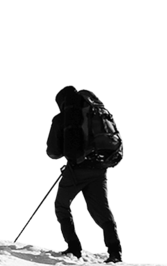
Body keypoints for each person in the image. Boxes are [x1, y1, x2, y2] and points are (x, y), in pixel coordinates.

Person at [45, 85, 124, 263]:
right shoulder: (96, 111)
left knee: (61, 206)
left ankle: (73, 247)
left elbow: (53, 152)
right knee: (102, 209)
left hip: (77, 169)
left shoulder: (62, 117)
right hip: (101, 166)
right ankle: (115, 252)